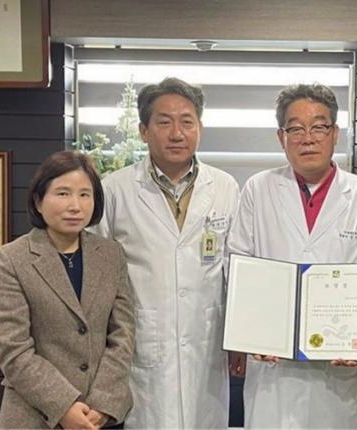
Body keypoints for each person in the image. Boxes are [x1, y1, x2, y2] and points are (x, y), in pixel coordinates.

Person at [227, 83, 357, 428]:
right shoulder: (258, 189)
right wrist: (253, 328)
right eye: (295, 129)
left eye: (319, 127)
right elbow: (237, 263)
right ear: (281, 137)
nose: (308, 139)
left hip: (336, 364)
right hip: (272, 363)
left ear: (335, 134)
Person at [90, 77, 240, 429]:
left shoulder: (225, 187)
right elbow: (97, 277)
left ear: (200, 128)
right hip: (142, 344)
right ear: (143, 131)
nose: (176, 133)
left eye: (187, 122)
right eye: (164, 122)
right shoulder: (115, 190)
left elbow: (237, 267)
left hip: (206, 344)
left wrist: (241, 336)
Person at [0, 151, 136, 429]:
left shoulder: (111, 255)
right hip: (35, 417)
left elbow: (122, 334)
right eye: (63, 193)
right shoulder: (12, 259)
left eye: (84, 194)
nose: (75, 206)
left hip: (101, 417)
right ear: (38, 201)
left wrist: (103, 402)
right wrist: (63, 406)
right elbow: (13, 350)